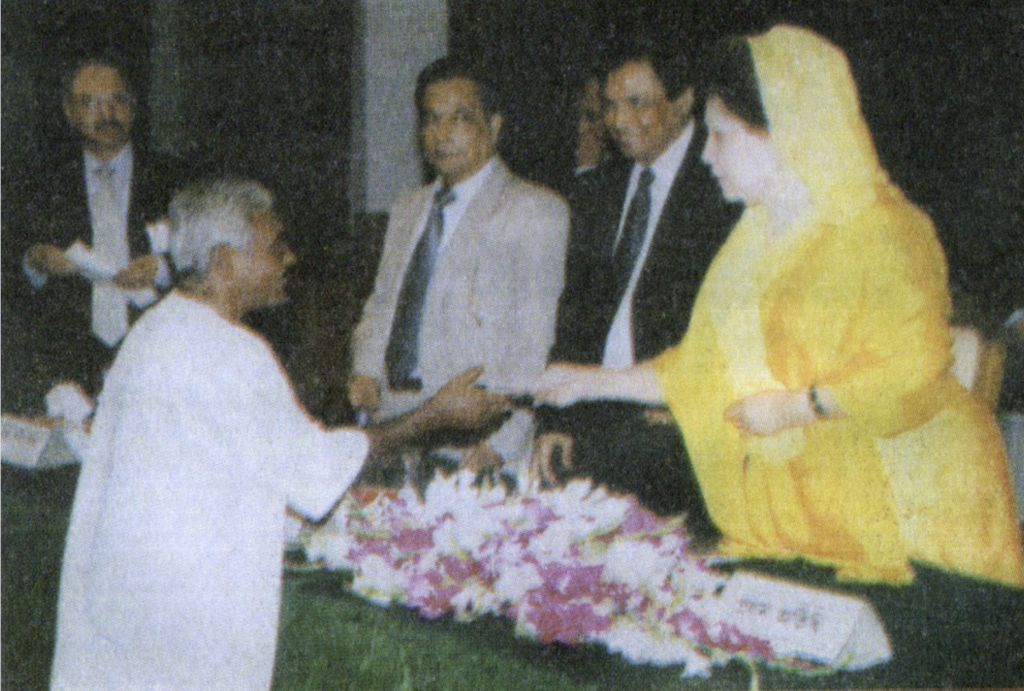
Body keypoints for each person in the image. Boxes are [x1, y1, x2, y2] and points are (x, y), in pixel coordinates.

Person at [534, 26, 1024, 587]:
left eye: (721, 136)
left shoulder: (884, 231)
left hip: (916, 516)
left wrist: (799, 407)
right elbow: (698, 370)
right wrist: (588, 382)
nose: (706, 155)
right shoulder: (750, 242)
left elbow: (913, 368)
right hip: (811, 509)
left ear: (784, 133)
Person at [50, 179, 510, 690]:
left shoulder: (155, 328)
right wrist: (436, 414)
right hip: (185, 624)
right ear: (223, 261)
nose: (289, 258)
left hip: (129, 609)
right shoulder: (232, 353)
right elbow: (315, 466)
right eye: (275, 247)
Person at [535, 40, 740, 532]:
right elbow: (575, 318)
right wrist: (556, 421)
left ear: (684, 100)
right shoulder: (598, 191)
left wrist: (686, 406)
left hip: (675, 434)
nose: (618, 120)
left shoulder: (726, 188)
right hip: (594, 427)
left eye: (637, 103)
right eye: (609, 105)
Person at [348, 56, 569, 481]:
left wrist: (504, 443)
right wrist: (365, 369)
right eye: (431, 119)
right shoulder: (407, 209)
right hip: (398, 428)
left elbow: (538, 341)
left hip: (477, 444)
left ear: (494, 126)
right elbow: (383, 304)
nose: (442, 133)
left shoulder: (535, 210)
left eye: (460, 118)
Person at [8, 53, 193, 409]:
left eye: (117, 100)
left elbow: (207, 258)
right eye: (90, 102)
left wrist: (163, 267)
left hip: (158, 354)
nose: (107, 113)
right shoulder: (38, 184)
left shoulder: (175, 178)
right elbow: (11, 269)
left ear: (133, 107)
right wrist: (35, 261)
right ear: (69, 112)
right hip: (67, 362)